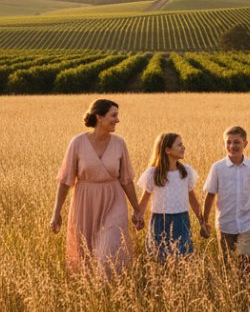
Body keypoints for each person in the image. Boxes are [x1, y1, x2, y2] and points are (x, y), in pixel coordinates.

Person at [52, 98, 144, 277]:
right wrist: (56, 213)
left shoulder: (119, 143)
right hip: (85, 202)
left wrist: (137, 210)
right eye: (113, 115)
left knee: (109, 250)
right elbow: (65, 180)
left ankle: (111, 287)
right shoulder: (77, 143)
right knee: (86, 252)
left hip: (114, 200)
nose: (117, 120)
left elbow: (126, 180)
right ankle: (96, 295)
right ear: (99, 117)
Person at [203, 126, 250, 277]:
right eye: (228, 142)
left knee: (245, 260)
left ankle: (245, 289)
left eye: (236, 142)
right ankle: (230, 290)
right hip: (225, 224)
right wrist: (204, 221)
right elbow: (210, 195)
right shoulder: (217, 168)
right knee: (227, 263)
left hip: (246, 223)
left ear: (245, 143)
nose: (232, 146)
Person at [136, 132, 207, 262]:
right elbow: (144, 199)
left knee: (182, 258)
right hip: (159, 221)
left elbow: (193, 200)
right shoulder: (153, 173)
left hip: (181, 220)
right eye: (179, 145)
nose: (183, 147)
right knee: (161, 258)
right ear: (167, 150)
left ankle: (179, 282)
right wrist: (138, 217)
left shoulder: (186, 171)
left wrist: (202, 222)